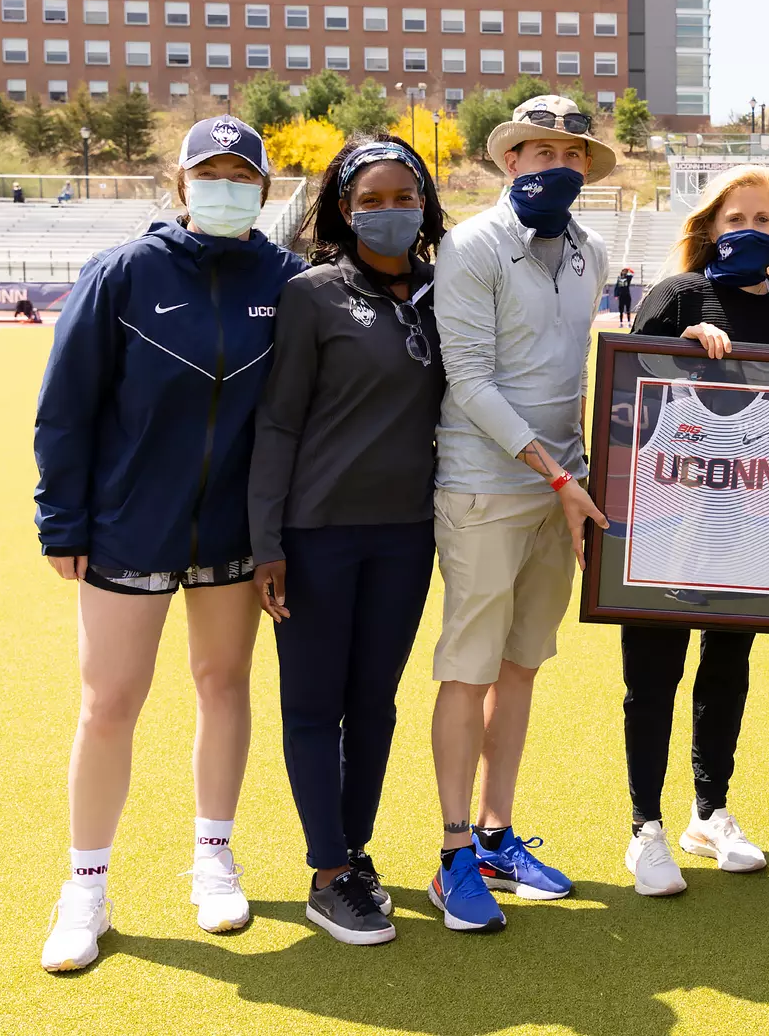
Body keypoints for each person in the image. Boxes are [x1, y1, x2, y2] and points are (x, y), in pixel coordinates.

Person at [33, 115, 307, 973]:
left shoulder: (290, 280)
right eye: (209, 171)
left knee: (223, 684)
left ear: (262, 188)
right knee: (109, 703)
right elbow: (66, 407)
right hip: (125, 526)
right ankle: (86, 888)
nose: (225, 185)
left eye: (242, 173)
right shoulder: (121, 273)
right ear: (181, 182)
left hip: (232, 531)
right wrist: (62, 520)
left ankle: (214, 856)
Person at [249, 136, 447, 946]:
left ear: (426, 204)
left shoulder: (447, 292)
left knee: (375, 703)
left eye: (405, 196)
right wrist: (267, 540)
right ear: (341, 208)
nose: (390, 210)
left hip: (408, 535)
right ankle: (326, 872)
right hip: (318, 533)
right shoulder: (313, 294)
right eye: (371, 199)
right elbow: (279, 418)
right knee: (314, 704)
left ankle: (353, 852)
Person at [427, 95, 612, 932]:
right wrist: (554, 477)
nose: (555, 167)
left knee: (523, 665)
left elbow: (576, 375)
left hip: (558, 490)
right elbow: (468, 382)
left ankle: (499, 837)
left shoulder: (593, 251)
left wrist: (571, 478)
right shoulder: (468, 245)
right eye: (539, 153)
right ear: (510, 162)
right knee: (469, 669)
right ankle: (454, 853)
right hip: (486, 487)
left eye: (569, 154)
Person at [619, 164, 769, 897]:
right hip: (667, 514)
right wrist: (684, 340)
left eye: (763, 221)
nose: (748, 231)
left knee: (726, 668)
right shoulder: (679, 293)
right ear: (710, 228)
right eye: (734, 219)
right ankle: (644, 828)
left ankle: (709, 812)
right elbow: (627, 393)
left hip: (749, 515)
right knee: (653, 673)